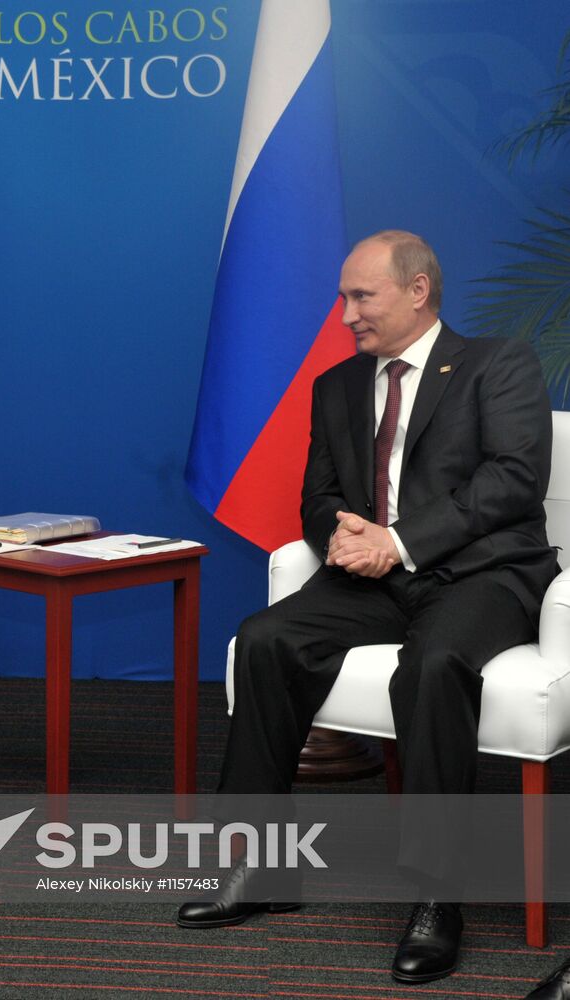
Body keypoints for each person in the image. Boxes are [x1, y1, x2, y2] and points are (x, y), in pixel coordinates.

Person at [177, 231, 559, 984]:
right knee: (264, 639)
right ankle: (261, 868)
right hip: (373, 580)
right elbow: (316, 497)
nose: (346, 312)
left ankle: (436, 897)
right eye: (343, 296)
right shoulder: (338, 386)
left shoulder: (497, 364)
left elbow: (513, 479)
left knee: (435, 664)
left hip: (481, 576)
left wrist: (399, 540)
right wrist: (343, 536)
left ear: (418, 291)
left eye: (362, 296)